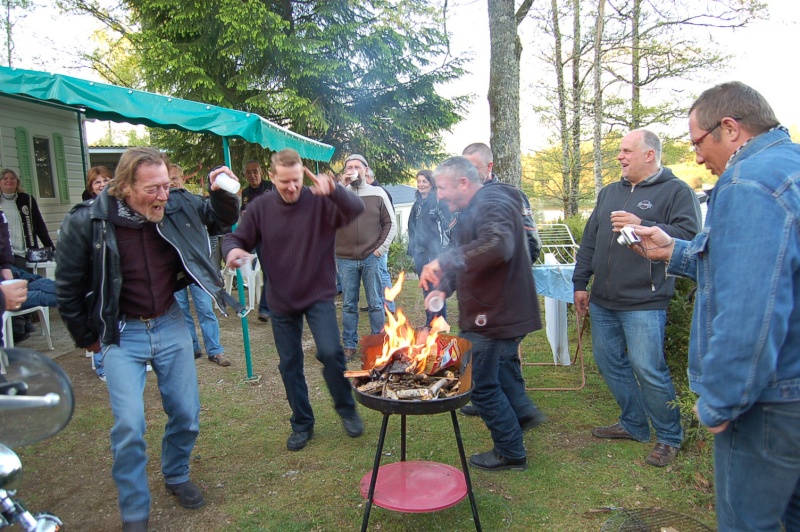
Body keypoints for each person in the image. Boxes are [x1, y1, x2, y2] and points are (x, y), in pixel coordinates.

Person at [629, 82, 800, 529]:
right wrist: (674, 251)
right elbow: (748, 264)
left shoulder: (749, 182)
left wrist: (722, 400)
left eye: (698, 143)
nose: (699, 157)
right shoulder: (790, 168)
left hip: (771, 401)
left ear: (730, 128)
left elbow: (750, 311)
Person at [55, 146, 241, 532]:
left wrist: (225, 192)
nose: (163, 195)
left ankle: (176, 475)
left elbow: (218, 218)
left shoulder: (173, 205)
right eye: (153, 189)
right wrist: (87, 338)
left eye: (165, 186)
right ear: (124, 187)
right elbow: (68, 287)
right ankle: (135, 511)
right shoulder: (88, 222)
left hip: (170, 323)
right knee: (129, 426)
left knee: (186, 414)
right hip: (121, 333)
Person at [572, 129, 701, 468]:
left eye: (627, 151)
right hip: (602, 299)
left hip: (645, 300)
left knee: (648, 369)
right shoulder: (610, 192)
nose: (620, 157)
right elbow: (590, 240)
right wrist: (581, 282)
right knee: (608, 362)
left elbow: (690, 238)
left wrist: (643, 222)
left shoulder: (676, 191)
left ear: (649, 155)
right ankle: (633, 423)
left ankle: (670, 437)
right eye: (619, 151)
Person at [223, 148, 365, 452]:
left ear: (302, 176)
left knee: (330, 353)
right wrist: (232, 251)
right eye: (285, 181)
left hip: (318, 294)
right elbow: (236, 238)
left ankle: (346, 408)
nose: (291, 187)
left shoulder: (319, 202)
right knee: (290, 364)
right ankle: (302, 423)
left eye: (296, 181)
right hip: (282, 299)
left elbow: (355, 210)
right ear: (272, 177)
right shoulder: (261, 208)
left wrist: (336, 191)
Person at [419, 156, 544, 472]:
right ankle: (523, 412)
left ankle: (510, 450)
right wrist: (443, 289)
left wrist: (444, 262)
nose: (440, 195)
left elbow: (497, 245)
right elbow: (468, 256)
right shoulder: (469, 210)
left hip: (495, 313)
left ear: (464, 182)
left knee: (480, 385)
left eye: (444, 188)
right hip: (491, 312)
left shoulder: (493, 200)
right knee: (498, 369)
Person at [459, 142, 541, 418]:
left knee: (504, 353)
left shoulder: (509, 197)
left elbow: (531, 245)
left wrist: (504, 276)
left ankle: (518, 409)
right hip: (478, 292)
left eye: (474, 168)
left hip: (505, 291)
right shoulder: (466, 198)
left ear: (489, 167)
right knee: (485, 350)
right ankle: (495, 402)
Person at [168, 164, 231, 367]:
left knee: (205, 308)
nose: (172, 183)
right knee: (181, 311)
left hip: (198, 267)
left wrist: (209, 259)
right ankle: (192, 347)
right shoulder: (159, 208)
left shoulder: (195, 203)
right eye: (168, 179)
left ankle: (215, 350)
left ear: (183, 179)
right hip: (174, 270)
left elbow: (215, 229)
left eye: (175, 178)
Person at [335, 154, 396, 361]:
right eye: (349, 167)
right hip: (345, 258)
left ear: (366, 170)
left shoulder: (378, 193)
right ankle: (349, 346)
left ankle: (378, 344)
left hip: (372, 257)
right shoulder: (340, 195)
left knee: (376, 303)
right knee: (349, 304)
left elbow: (390, 223)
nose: (353, 170)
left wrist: (379, 250)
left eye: (357, 167)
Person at [407, 169, 451, 326]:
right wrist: (412, 250)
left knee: (436, 289)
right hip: (420, 254)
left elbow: (447, 228)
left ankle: (440, 322)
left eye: (424, 181)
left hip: (435, 254)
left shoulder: (438, 202)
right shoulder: (417, 204)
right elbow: (411, 228)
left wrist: (442, 254)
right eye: (418, 181)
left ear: (431, 184)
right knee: (426, 288)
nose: (421, 184)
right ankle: (429, 322)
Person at [0, 169, 55, 271]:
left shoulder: (27, 200)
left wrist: (51, 248)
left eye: (13, 178)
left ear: (17, 182)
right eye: (5, 178)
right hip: (4, 254)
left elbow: (39, 225)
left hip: (24, 253)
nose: (9, 180)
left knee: (26, 281)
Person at [240, 159, 272, 322]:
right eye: (249, 172)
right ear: (245, 175)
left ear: (261, 172)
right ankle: (266, 309)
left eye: (255, 171)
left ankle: (268, 308)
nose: (252, 175)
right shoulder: (244, 193)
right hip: (258, 238)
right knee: (268, 272)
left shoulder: (271, 187)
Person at [365, 167, 396, 313]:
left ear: (369, 178)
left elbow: (388, 220)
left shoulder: (380, 192)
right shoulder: (366, 192)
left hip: (380, 242)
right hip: (369, 242)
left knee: (382, 273)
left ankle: (389, 306)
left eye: (363, 178)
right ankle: (376, 302)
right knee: (373, 275)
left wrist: (381, 245)